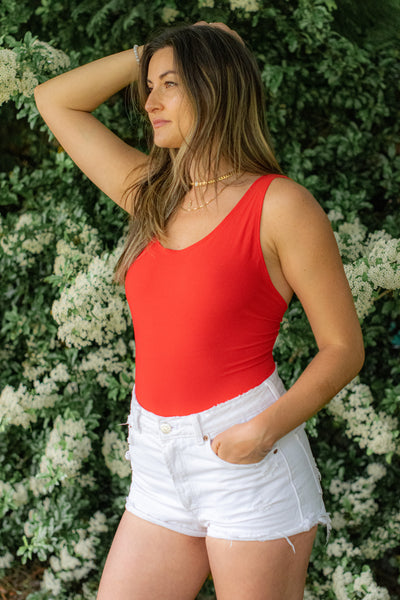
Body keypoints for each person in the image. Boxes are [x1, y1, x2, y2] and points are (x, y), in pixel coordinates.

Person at [34, 22, 364, 600]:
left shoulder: (280, 205)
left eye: (170, 84)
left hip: (246, 455)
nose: (149, 100)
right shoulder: (151, 195)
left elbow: (343, 348)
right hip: (158, 461)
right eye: (149, 84)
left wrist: (264, 430)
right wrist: (152, 52)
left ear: (214, 90)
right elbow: (54, 99)